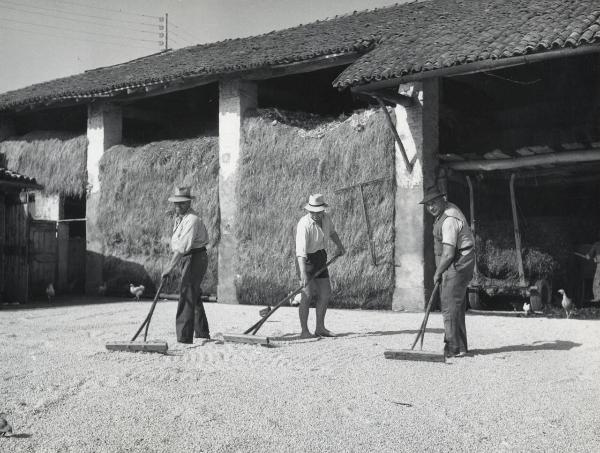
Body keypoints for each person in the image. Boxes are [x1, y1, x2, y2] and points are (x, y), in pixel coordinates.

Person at [420, 186, 475, 358]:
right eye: (428, 205)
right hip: (454, 260)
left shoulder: (449, 220)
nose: (431, 207)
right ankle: (461, 347)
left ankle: (453, 347)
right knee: (454, 305)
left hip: (458, 261)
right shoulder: (444, 212)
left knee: (449, 305)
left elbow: (449, 253)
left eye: (434, 202)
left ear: (442, 199)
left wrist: (438, 272)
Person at [162, 187, 211, 344]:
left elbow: (183, 247)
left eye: (182, 203)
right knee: (193, 295)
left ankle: (184, 337)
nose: (178, 206)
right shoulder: (180, 218)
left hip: (195, 258)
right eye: (176, 203)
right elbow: (178, 245)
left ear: (189, 202)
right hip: (189, 258)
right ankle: (202, 332)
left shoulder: (192, 220)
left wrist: (170, 267)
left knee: (186, 294)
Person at [295, 193, 345, 338]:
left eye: (318, 211)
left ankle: (320, 328)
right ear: (309, 210)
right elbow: (300, 252)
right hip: (306, 260)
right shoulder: (304, 224)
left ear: (323, 210)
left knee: (325, 293)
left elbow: (333, 233)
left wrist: (340, 246)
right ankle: (304, 331)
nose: (315, 214)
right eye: (312, 212)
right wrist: (303, 272)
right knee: (307, 295)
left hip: (320, 257)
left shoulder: (326, 219)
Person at [585, 233, 600, 301]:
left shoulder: (596, 244)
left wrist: (589, 257)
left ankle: (597, 297)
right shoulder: (596, 245)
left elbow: (589, 255)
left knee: (596, 281)